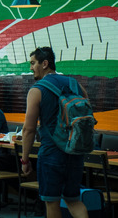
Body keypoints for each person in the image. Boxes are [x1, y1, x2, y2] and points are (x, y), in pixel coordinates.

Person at [22, 47, 89, 218]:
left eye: (33, 63)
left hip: (51, 153)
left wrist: (25, 159)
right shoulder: (75, 84)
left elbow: (28, 129)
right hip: (75, 150)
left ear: (44, 64)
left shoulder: (37, 90)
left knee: (51, 202)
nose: (31, 67)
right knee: (73, 200)